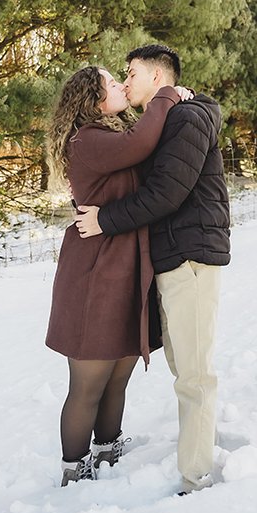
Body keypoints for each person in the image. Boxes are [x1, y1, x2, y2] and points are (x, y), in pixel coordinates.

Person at [75, 45, 230, 495]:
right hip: (175, 256)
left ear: (158, 77)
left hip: (191, 255)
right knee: (186, 365)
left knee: (194, 373)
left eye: (132, 73)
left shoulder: (186, 118)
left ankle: (195, 476)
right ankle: (202, 451)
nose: (126, 82)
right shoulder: (167, 118)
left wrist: (104, 220)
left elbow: (166, 193)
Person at [46, 65, 186, 486]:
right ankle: (74, 468)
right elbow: (140, 142)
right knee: (89, 379)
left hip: (124, 263)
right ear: (93, 100)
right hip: (95, 271)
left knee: (120, 366)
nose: (121, 85)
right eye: (112, 82)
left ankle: (108, 447)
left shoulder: (108, 135)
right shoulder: (87, 140)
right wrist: (167, 94)